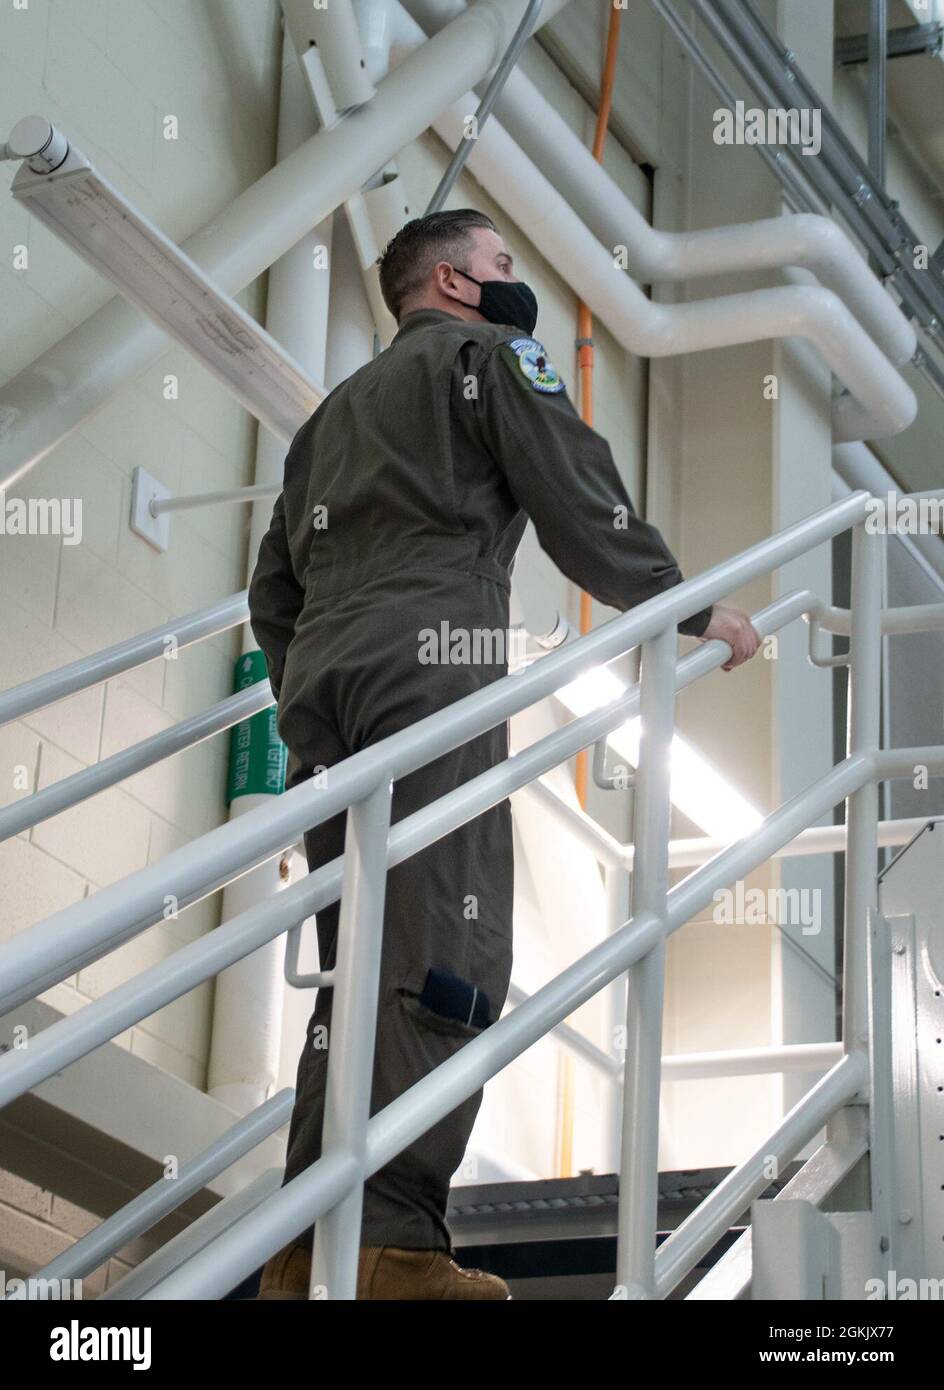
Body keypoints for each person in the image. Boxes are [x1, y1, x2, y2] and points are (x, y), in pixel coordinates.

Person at [247, 208, 760, 1300]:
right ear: (452, 280)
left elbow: (270, 590)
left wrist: (313, 676)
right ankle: (387, 1250)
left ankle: (308, 1245)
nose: (511, 281)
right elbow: (574, 486)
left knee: (357, 965)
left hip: (327, 690)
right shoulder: (493, 355)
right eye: (500, 266)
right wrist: (686, 605)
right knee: (446, 952)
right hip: (434, 661)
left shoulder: (327, 417)